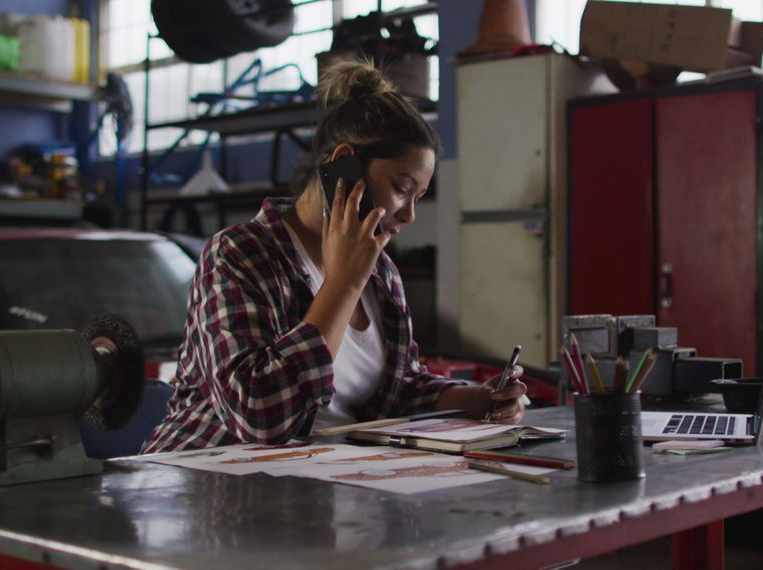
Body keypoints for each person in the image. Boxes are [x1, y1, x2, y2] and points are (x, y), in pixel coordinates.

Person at [142, 60, 527, 453]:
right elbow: (258, 416)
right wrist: (343, 283)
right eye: (400, 187)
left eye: (418, 198)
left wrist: (478, 399)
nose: (409, 215)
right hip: (206, 481)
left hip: (318, 483)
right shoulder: (238, 255)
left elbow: (398, 388)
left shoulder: (382, 273)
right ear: (344, 163)